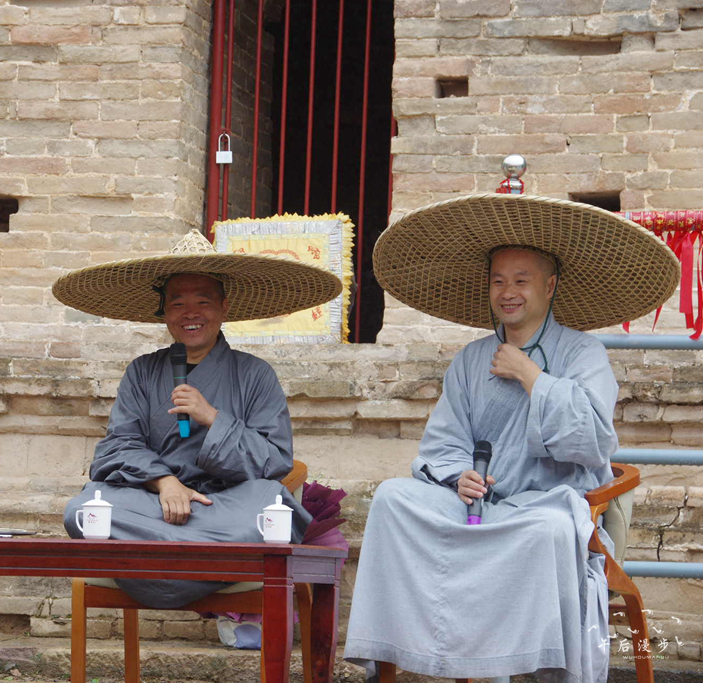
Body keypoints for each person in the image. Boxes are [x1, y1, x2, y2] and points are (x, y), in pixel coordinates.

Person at [343, 193, 680, 683]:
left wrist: (533, 378)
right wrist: (459, 474)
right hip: (477, 506)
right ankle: (399, 658)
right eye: (499, 281)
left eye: (522, 280)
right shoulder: (471, 359)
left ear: (550, 285)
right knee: (394, 498)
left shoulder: (583, 353)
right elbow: (443, 442)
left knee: (546, 532)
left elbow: (592, 443)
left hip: (544, 506)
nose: (509, 292)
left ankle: (524, 666)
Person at [52, 229, 344, 609]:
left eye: (203, 302)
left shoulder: (255, 374)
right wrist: (165, 482)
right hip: (154, 506)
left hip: (225, 508)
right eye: (177, 304)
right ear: (164, 313)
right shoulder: (142, 372)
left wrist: (213, 418)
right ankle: (200, 561)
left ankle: (162, 567)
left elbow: (275, 460)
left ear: (224, 308)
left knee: (271, 505)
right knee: (82, 510)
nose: (191, 314)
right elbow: (117, 447)